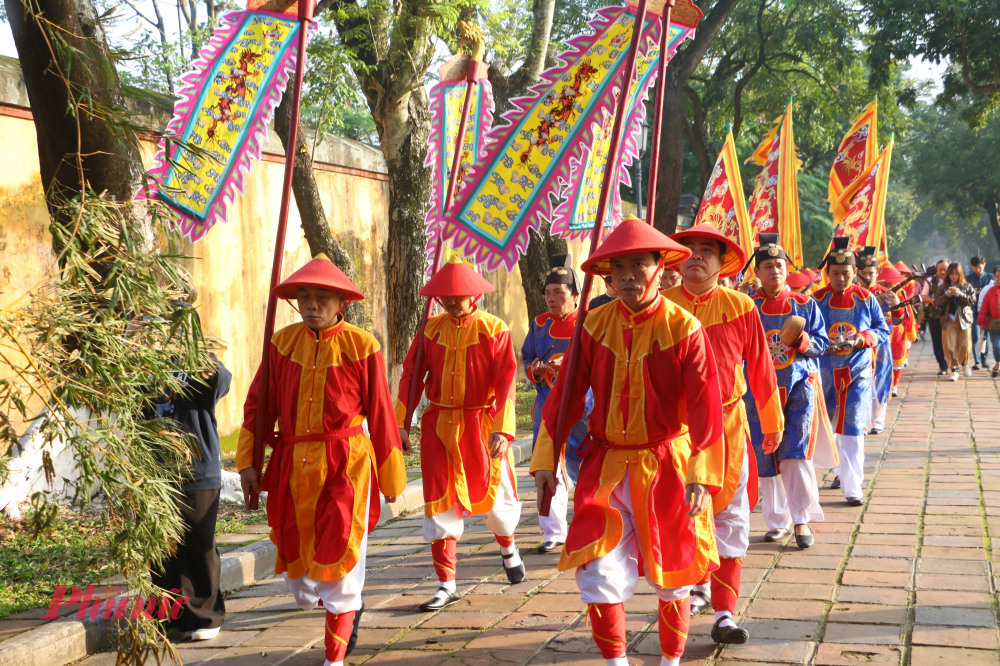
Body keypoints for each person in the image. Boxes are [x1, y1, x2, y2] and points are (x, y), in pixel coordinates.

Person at [530, 217, 725, 666]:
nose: (629, 276)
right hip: (605, 466)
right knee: (598, 571)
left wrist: (702, 474)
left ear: (660, 267)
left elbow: (705, 408)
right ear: (608, 276)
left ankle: (671, 661)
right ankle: (615, 661)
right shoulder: (593, 325)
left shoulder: (685, 328)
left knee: (674, 573)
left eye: (639, 264)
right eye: (619, 268)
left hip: (668, 466)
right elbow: (563, 400)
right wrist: (547, 457)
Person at [237, 254, 406, 666]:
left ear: (340, 302)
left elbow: (382, 413)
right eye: (304, 296)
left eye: (321, 297)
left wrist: (391, 479)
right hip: (292, 464)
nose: (311, 304)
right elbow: (258, 409)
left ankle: (335, 657)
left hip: (346, 465)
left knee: (341, 562)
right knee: (301, 582)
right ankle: (343, 608)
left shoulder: (363, 346)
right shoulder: (281, 344)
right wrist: (249, 464)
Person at [663, 224, 783, 643]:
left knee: (731, 517)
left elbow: (761, 368)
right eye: (688, 249)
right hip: (677, 433)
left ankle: (725, 614)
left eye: (706, 250)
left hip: (729, 427)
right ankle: (690, 590)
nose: (696, 256)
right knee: (682, 516)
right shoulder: (662, 307)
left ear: (721, 261)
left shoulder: (741, 306)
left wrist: (771, 423)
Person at [397, 257, 524, 611]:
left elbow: (506, 380)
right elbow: (411, 378)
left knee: (496, 498)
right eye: (445, 296)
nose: (451, 301)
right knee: (439, 503)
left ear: (474, 295)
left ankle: (508, 545)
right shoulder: (428, 330)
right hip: (438, 427)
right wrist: (401, 425)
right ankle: (446, 582)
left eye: (458, 295)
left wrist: (503, 428)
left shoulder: (494, 329)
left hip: (481, 425)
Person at [148, 298, 233, 641]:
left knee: (199, 540)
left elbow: (220, 383)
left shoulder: (200, 360)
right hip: (153, 468)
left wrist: (200, 360)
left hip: (197, 467)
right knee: (161, 545)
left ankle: (206, 616)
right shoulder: (140, 362)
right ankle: (168, 616)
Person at [743, 235, 831, 551]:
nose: (775, 271)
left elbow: (823, 344)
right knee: (765, 455)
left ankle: (801, 518)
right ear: (758, 272)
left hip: (799, 387)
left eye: (780, 265)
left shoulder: (805, 305)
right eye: (768, 266)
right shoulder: (746, 305)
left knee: (795, 454)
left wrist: (802, 341)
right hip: (758, 391)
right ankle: (776, 520)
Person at [813, 238, 891, 506]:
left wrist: (862, 338)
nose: (840, 278)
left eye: (846, 273)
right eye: (835, 273)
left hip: (856, 372)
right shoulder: (816, 299)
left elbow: (882, 329)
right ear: (827, 274)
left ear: (854, 273)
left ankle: (852, 487)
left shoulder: (866, 298)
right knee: (822, 428)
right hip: (823, 372)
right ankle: (818, 479)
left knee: (853, 429)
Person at [521, 254, 589, 553]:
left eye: (559, 293)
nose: (552, 299)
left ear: (575, 296)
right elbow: (525, 357)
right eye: (548, 293)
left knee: (587, 463)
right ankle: (553, 531)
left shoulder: (590, 322)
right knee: (547, 465)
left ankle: (591, 523)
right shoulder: (538, 325)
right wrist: (535, 369)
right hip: (547, 405)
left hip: (584, 406)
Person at [855, 248, 900, 435]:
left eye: (871, 273)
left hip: (880, 346)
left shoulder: (885, 292)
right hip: (859, 344)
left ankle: (878, 420)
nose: (867, 277)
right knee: (860, 383)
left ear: (877, 273)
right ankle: (862, 422)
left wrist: (896, 305)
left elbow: (899, 319)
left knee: (880, 381)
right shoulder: (852, 293)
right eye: (863, 273)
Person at [934, 262, 976, 381]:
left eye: (956, 274)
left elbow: (972, 301)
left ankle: (965, 363)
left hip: (964, 319)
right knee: (949, 346)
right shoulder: (943, 287)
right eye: (951, 274)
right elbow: (936, 302)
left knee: (965, 345)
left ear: (960, 274)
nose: (953, 276)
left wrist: (960, 293)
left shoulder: (966, 286)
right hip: (949, 319)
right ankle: (954, 370)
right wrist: (946, 294)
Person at [880, 264, 917, 397]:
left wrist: (909, 329)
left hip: (897, 330)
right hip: (880, 331)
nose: (889, 286)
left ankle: (894, 386)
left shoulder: (901, 294)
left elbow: (907, 313)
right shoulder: (875, 293)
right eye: (887, 283)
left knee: (897, 358)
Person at [921, 259, 950, 375]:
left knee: (950, 340)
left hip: (950, 315)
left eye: (945, 269)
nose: (943, 272)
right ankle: (942, 365)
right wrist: (933, 301)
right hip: (935, 315)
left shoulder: (953, 280)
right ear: (936, 270)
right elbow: (923, 296)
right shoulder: (930, 281)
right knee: (937, 341)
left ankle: (951, 363)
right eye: (940, 270)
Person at [967, 255, 994, 370]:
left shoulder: (990, 278)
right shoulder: (967, 279)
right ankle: (977, 360)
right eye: (975, 267)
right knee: (975, 335)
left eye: (980, 267)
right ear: (972, 267)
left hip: (986, 311)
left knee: (985, 335)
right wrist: (971, 292)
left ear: (984, 265)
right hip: (972, 310)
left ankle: (984, 359)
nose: (978, 269)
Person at [976, 265, 1000, 378]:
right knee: (996, 346)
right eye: (998, 277)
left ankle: (997, 366)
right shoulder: (990, 291)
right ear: (994, 277)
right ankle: (998, 362)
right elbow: (984, 307)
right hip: (994, 325)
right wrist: (981, 322)